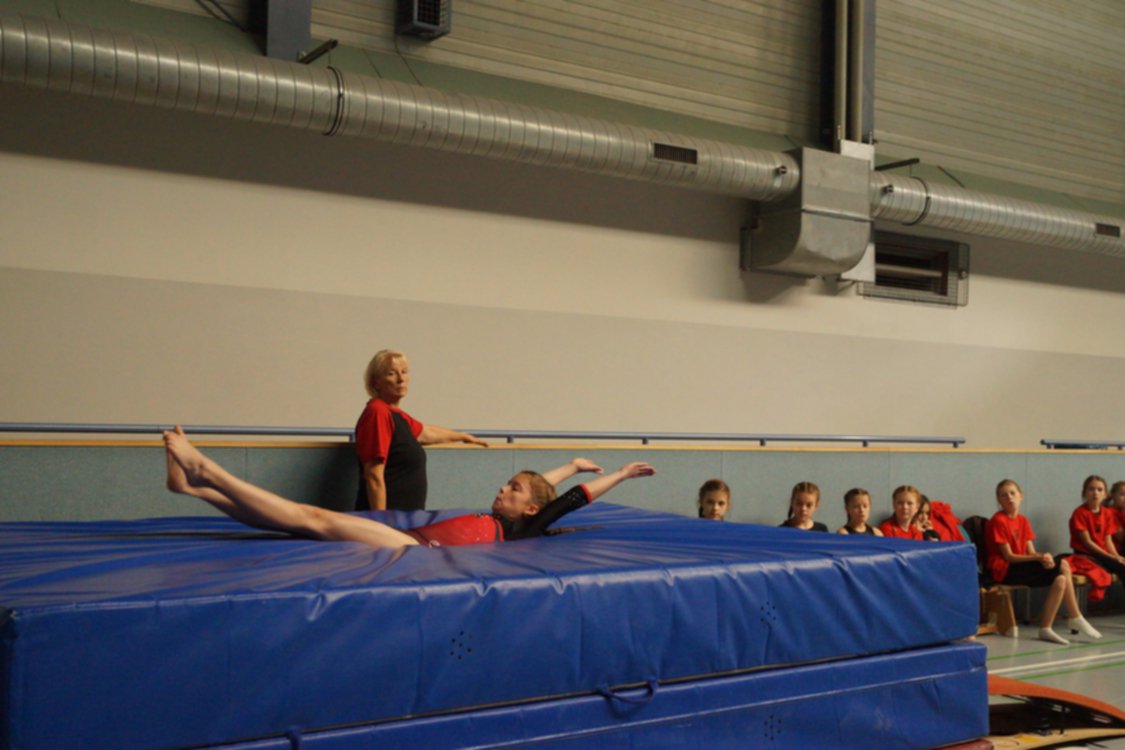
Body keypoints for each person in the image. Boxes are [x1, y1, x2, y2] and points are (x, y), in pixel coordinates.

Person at [164, 427, 655, 550]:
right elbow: (543, 489)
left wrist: (619, 474)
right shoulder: (510, 514)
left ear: (529, 510)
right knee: (298, 525)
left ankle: (208, 470)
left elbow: (563, 500)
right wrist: (571, 463)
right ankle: (195, 488)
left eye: (513, 490)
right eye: (507, 484)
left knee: (313, 518)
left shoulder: (522, 528)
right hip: (410, 541)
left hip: (411, 549)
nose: (503, 490)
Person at [355, 350, 488, 512]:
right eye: (391, 373)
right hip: (388, 520)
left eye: (404, 372)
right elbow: (374, 476)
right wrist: (380, 521)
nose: (401, 379)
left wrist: (462, 436)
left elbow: (426, 432)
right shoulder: (378, 412)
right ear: (376, 382)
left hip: (406, 517)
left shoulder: (397, 416)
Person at [985, 479, 1101, 645]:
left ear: (1021, 496)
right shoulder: (998, 520)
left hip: (1021, 566)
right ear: (999, 500)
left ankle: (1045, 628)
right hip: (1004, 570)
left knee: (1061, 578)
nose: (1009, 497)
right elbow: (1009, 556)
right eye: (1004, 495)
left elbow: (1031, 552)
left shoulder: (1023, 520)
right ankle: (1075, 616)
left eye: (1012, 493)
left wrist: (1044, 559)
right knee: (1063, 565)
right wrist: (1039, 558)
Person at [1069, 475, 1125, 583]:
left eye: (1099, 490)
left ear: (1105, 494)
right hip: (1086, 555)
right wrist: (1111, 557)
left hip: (1103, 554)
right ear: (1084, 493)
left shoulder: (1107, 513)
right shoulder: (1080, 513)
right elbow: (1087, 542)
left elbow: (1108, 540)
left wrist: (1117, 556)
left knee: (1121, 563)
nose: (1095, 493)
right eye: (1091, 489)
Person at [1107, 480, 1125, 549]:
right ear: (1113, 495)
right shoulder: (1108, 512)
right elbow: (1121, 537)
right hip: (1114, 550)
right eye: (1122, 494)